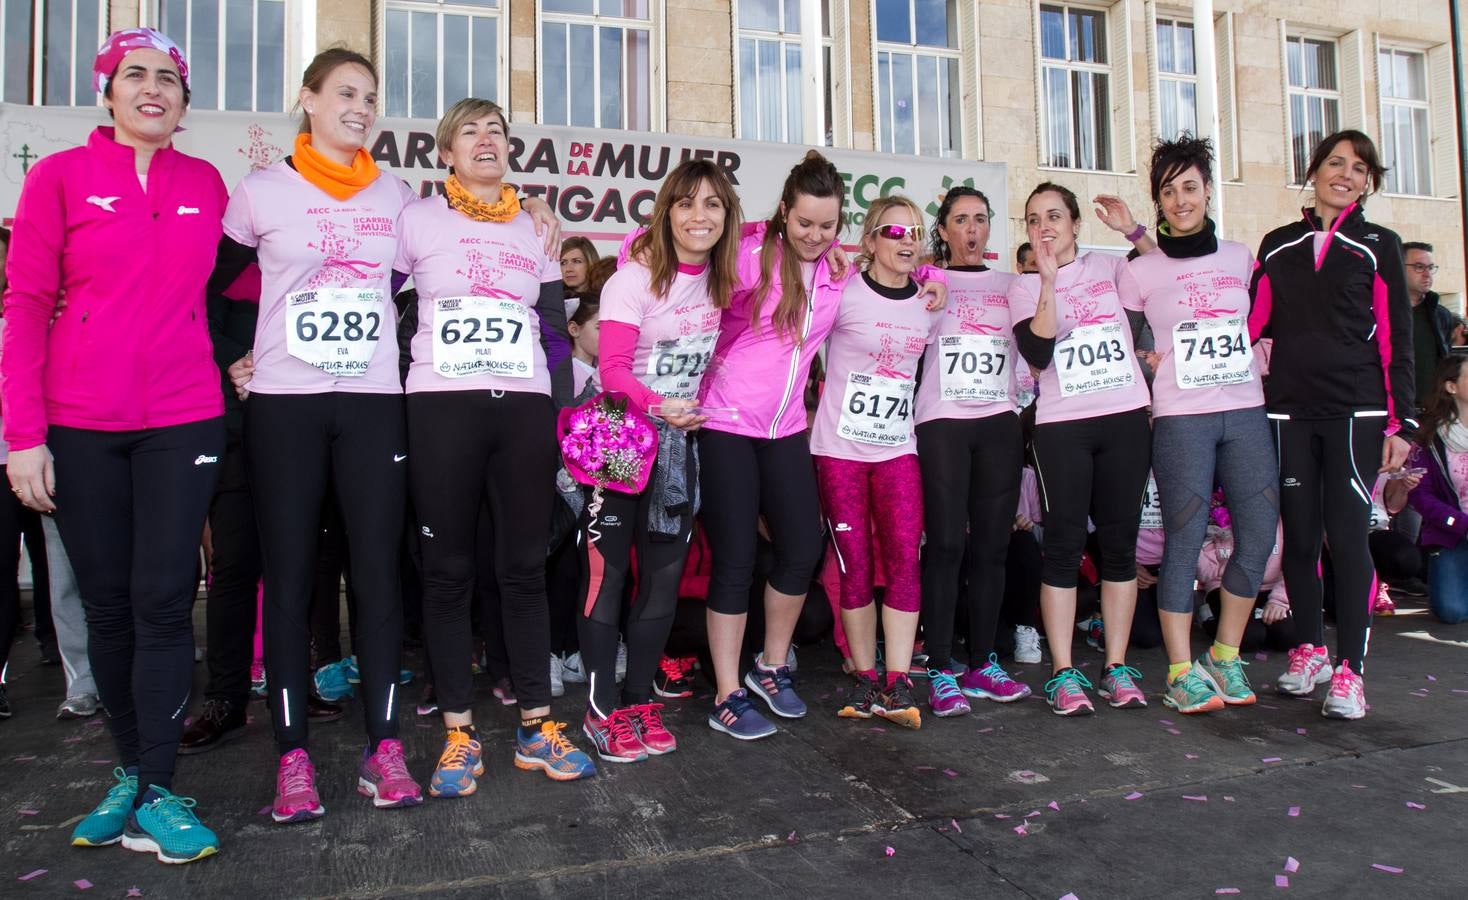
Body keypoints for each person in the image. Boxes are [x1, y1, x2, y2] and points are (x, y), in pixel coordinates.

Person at [2, 28, 227, 861]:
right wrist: (24, 437)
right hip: (79, 424)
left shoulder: (205, 182)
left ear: (183, 100)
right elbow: (24, 306)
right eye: (134, 74)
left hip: (183, 419)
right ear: (107, 91)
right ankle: (132, 773)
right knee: (107, 608)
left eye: (168, 78)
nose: (153, 88)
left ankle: (160, 786)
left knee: (165, 602)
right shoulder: (59, 178)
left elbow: (256, 274)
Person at [214, 47, 424, 821]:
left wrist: (530, 211)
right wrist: (228, 359)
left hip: (371, 401)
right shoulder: (262, 192)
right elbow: (208, 286)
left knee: (374, 571)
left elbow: (445, 254)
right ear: (308, 99)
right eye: (345, 93)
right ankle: (293, 756)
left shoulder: (398, 196)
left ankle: (385, 748)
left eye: (371, 95)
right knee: (293, 574)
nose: (361, 107)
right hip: (287, 404)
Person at [394, 97, 595, 795]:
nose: (486, 140)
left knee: (523, 568)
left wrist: (565, 417)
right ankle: (457, 734)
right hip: (441, 410)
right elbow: (373, 298)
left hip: (525, 412)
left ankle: (538, 725)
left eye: (498, 131)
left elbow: (553, 329)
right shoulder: (414, 218)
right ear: (446, 151)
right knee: (447, 570)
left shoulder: (535, 225)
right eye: (469, 131)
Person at [1247, 129, 1414, 720]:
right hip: (1288, 408)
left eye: (1360, 168)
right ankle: (1310, 650)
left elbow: (1397, 338)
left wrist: (1403, 423)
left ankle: (1351, 671)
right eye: (1336, 163)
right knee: (1297, 537)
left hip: (1355, 410)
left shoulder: (1378, 244)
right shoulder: (1278, 244)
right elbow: (1248, 325)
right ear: (1313, 170)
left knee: (1346, 539)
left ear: (1368, 181)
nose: (1346, 174)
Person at [579, 159, 742, 762]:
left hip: (678, 450)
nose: (699, 217)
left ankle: (637, 698)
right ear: (667, 211)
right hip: (623, 440)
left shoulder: (726, 279)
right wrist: (661, 406)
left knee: (665, 580)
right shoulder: (634, 279)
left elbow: (793, 241)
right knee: (609, 575)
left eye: (713, 205)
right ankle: (602, 712)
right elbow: (613, 371)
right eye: (686, 204)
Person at [1118, 136, 1278, 715]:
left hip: (1244, 411)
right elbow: (1123, 342)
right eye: (1169, 190)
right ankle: (1181, 670)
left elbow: (1266, 324)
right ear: (1158, 202)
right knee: (1183, 541)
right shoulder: (1140, 272)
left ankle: (1226, 655)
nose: (1181, 199)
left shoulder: (1241, 258)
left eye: (1190, 186)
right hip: (1182, 417)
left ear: (1208, 190)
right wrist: (1146, 359)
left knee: (1258, 534)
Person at [1008, 182, 1155, 716]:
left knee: (1119, 548)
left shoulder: (1112, 268)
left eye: (1053, 215)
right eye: (1032, 218)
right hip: (1063, 427)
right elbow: (1038, 350)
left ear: (1074, 222)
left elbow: (1170, 276)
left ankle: (1115, 667)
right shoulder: (1024, 288)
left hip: (1123, 420)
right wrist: (1047, 280)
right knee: (1065, 546)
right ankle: (1064, 672)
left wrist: (1132, 229)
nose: (1043, 226)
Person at [813, 195, 939, 730]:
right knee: (854, 565)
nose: (907, 239)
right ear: (869, 241)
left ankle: (898, 678)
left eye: (915, 231)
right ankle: (865, 676)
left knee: (905, 561)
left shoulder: (930, 303)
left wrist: (938, 276)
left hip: (896, 451)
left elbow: (940, 276)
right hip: (840, 451)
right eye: (894, 231)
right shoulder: (842, 290)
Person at [915, 187, 1030, 718]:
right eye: (959, 220)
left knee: (992, 547)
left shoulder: (1013, 284)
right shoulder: (926, 283)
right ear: (943, 230)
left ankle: (983, 662)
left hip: (999, 423)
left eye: (980, 219)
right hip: (942, 423)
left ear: (990, 228)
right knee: (944, 545)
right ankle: (940, 665)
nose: (971, 229)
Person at [1407, 353, 1468, 624]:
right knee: (1452, 612)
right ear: (1451, 386)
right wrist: (1460, 523)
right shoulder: (1429, 435)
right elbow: (1419, 495)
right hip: (1453, 533)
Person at [1404, 242, 1452, 411]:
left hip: (1433, 411)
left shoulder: (1441, 315)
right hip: (1393, 412)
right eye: (1419, 267)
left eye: (1431, 267)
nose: (1427, 274)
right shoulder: (1379, 312)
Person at [560, 236, 599, 312]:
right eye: (563, 263)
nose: (568, 269)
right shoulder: (551, 301)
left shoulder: (604, 299)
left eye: (576, 261)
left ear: (590, 263)